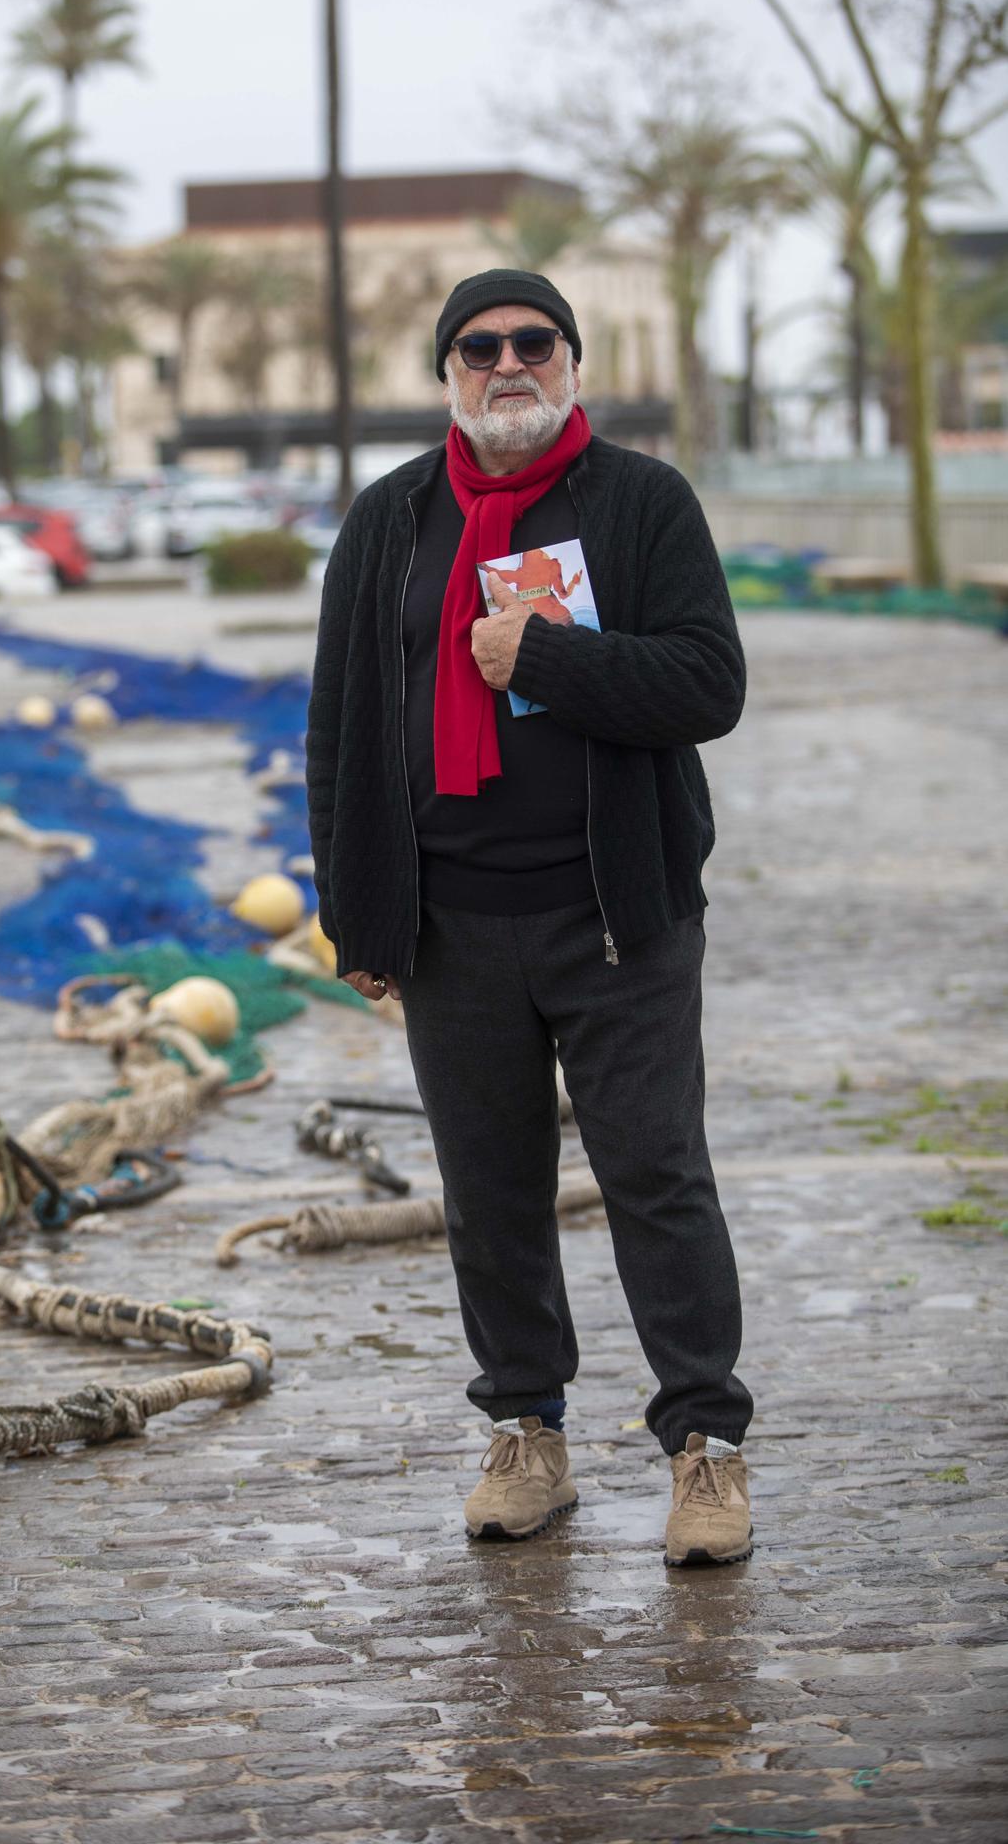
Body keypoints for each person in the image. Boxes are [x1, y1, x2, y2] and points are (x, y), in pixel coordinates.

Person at [305, 268, 754, 1567]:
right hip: (452, 928)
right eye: (478, 347)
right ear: (448, 374)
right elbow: (337, 728)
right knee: (486, 1191)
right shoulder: (390, 521)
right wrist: (360, 919)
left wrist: (541, 657)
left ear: (570, 360)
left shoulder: (638, 500)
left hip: (616, 917)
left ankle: (705, 1451)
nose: (508, 362)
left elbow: (708, 682)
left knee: (654, 1176)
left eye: (532, 342)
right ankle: (524, 1433)